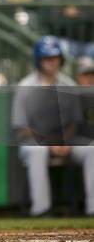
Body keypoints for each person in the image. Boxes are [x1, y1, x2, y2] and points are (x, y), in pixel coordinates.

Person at [12, 36, 94, 216]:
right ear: (39, 60)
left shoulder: (68, 84)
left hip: (65, 141)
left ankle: (92, 209)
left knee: (91, 150)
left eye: (55, 57)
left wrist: (63, 141)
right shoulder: (25, 86)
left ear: (61, 59)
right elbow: (20, 127)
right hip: (33, 142)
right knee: (38, 151)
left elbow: (74, 121)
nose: (52, 62)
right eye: (47, 58)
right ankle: (41, 210)